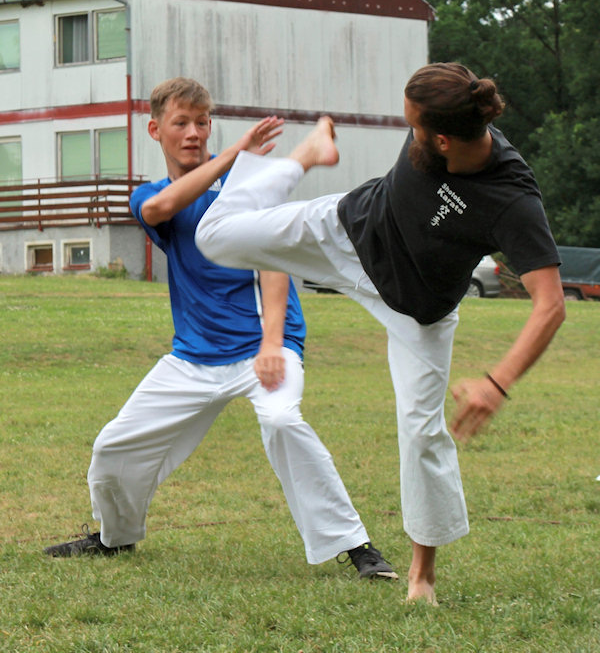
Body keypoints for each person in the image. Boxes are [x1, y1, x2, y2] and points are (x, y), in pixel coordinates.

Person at [194, 62, 566, 605]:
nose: (408, 132)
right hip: (348, 231)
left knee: (422, 432)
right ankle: (306, 155)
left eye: (414, 126)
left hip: (417, 309)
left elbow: (551, 306)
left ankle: (422, 576)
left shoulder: (511, 199)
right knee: (213, 237)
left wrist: (496, 383)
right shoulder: (444, 111)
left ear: (443, 140)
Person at [44, 77, 397, 581]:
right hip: (193, 357)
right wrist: (238, 152)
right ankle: (113, 538)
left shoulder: (244, 190)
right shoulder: (151, 195)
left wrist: (272, 344)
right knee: (112, 446)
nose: (193, 133)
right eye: (180, 123)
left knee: (282, 421)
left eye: (202, 122)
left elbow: (274, 263)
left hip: (264, 348)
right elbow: (161, 209)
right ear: (155, 130)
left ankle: (356, 546)